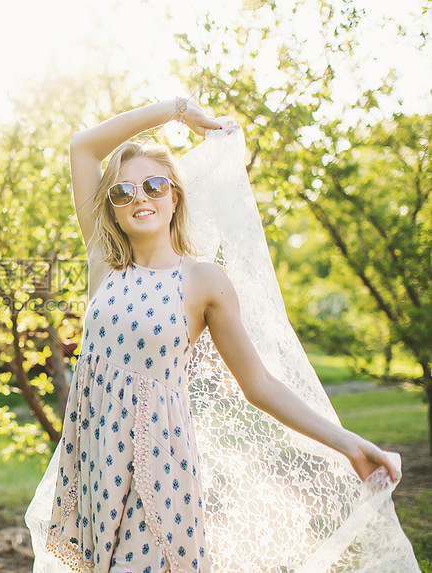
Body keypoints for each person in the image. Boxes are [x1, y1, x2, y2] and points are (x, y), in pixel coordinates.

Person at [25, 97, 412, 573]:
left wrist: (351, 444)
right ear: (113, 208)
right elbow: (83, 147)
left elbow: (260, 385)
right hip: (94, 465)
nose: (139, 198)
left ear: (174, 197)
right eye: (123, 192)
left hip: (159, 469)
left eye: (152, 185)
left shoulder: (203, 281)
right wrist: (175, 110)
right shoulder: (104, 263)